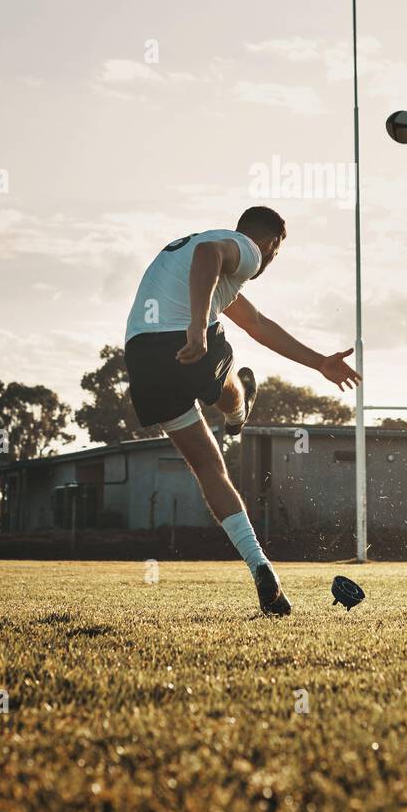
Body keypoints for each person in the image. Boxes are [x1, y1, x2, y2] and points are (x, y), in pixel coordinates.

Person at [124, 205, 361, 615]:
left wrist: (320, 361)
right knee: (224, 387)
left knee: (209, 468)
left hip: (141, 354)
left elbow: (258, 324)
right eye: (275, 253)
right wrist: (198, 325)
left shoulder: (212, 277)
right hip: (180, 335)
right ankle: (239, 408)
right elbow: (208, 257)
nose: (268, 260)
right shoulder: (245, 248)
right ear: (271, 243)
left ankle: (260, 566)